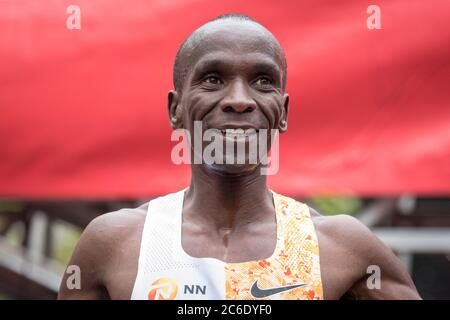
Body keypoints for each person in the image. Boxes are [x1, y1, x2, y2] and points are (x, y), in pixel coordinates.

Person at [58, 14, 421, 300]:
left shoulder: (342, 248)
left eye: (263, 81)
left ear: (283, 111)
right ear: (176, 109)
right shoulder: (116, 243)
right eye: (213, 79)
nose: (239, 99)